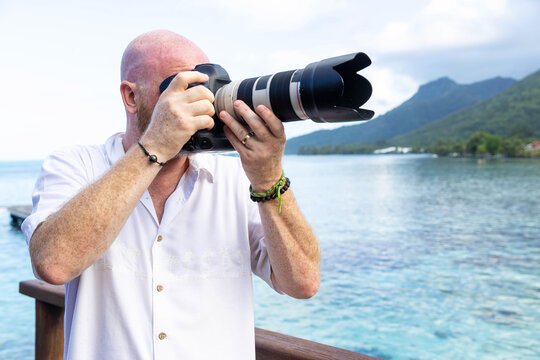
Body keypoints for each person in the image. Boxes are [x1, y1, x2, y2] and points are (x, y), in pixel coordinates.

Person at [21, 30, 320, 360]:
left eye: (208, 86)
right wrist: (154, 147)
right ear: (131, 97)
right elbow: (53, 264)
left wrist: (269, 180)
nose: (201, 100)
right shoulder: (76, 165)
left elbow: (302, 283)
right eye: (183, 87)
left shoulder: (235, 180)